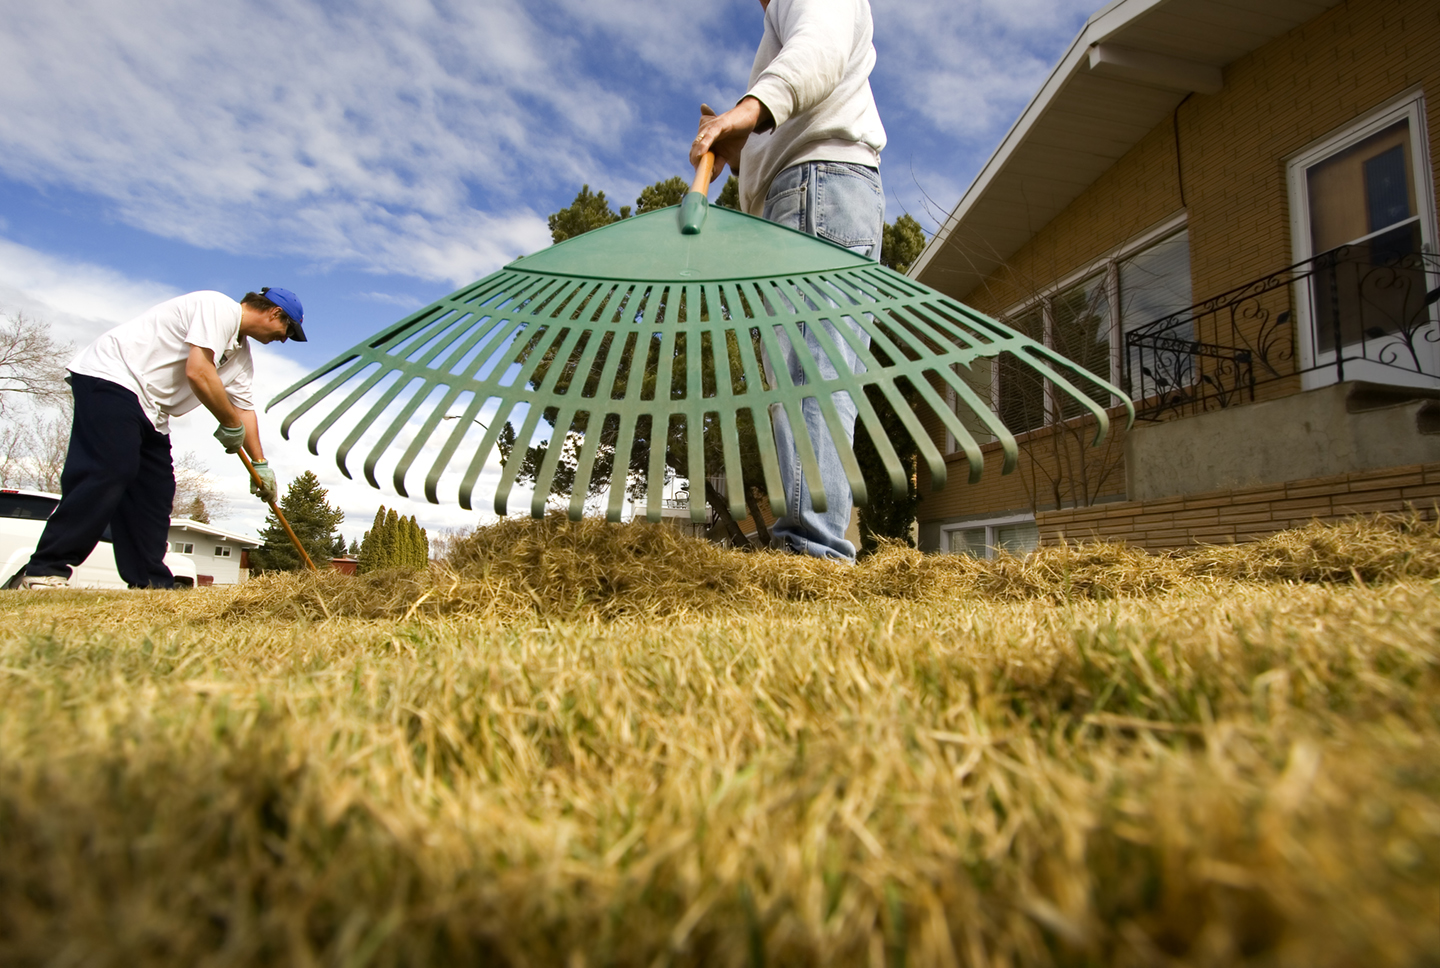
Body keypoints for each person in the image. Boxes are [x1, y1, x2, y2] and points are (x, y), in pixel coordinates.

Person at [691, 0, 886, 562]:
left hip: (816, 191)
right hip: (815, 193)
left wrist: (748, 111)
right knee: (808, 377)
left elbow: (818, 49)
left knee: (809, 375)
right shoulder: (778, 19)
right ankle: (813, 545)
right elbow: (803, 83)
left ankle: (812, 553)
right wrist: (744, 142)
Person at [17, 288, 306, 589]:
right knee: (110, 470)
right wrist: (229, 423)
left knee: (154, 492)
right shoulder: (217, 307)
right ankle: (44, 569)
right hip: (114, 378)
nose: (285, 338)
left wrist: (260, 465)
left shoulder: (241, 357)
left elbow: (244, 410)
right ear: (275, 313)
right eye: (288, 330)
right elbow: (198, 371)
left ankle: (150, 582)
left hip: (152, 409)